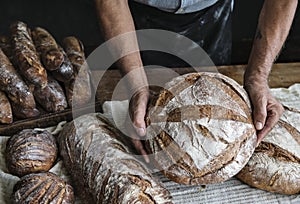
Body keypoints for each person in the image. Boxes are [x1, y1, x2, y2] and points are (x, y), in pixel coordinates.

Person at [95, 0, 297, 162]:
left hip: (213, 14)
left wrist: (258, 78)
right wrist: (136, 86)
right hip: (132, 19)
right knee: (148, 115)